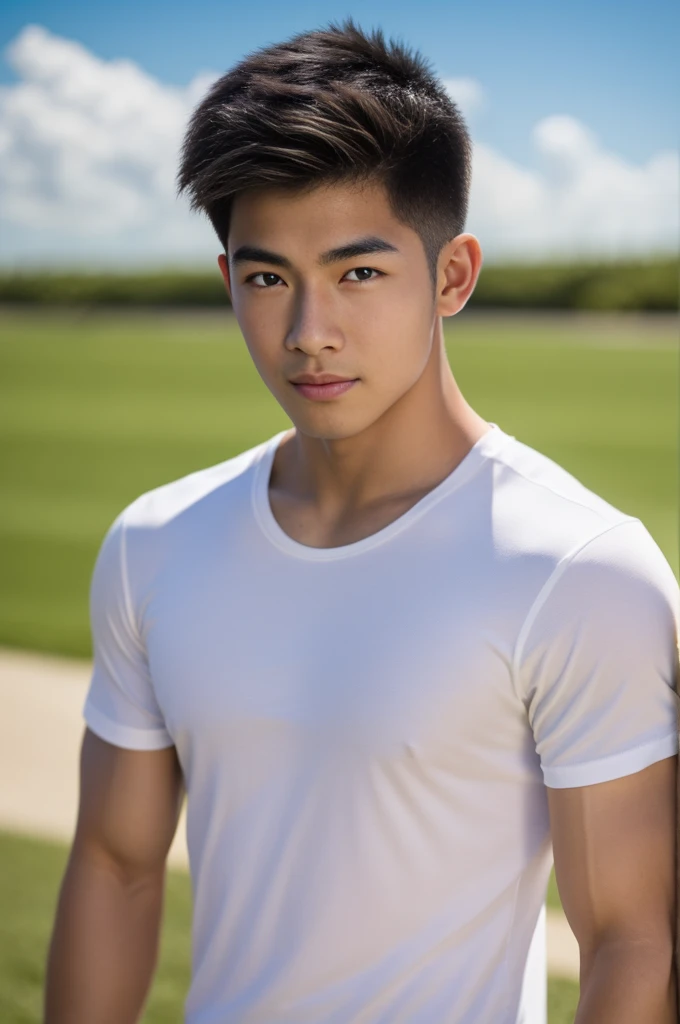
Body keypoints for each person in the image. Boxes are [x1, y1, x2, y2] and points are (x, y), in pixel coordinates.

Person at [44, 20, 679, 1024]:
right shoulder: (154, 544)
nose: (307, 333)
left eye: (358, 273)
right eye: (266, 280)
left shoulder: (578, 569)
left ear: (451, 275)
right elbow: (117, 865)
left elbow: (634, 941)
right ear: (228, 285)